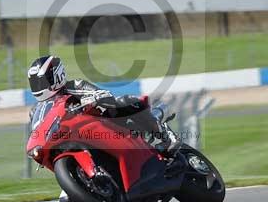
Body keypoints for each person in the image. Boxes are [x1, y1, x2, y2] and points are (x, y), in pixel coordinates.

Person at [27, 55, 177, 155]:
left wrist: (92, 98)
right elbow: (38, 131)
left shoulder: (75, 85)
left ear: (56, 75)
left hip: (104, 122)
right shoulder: (37, 110)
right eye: (35, 83)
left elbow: (105, 95)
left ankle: (165, 136)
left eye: (42, 81)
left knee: (125, 101)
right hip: (75, 137)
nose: (39, 86)